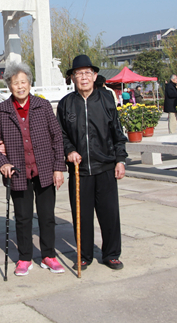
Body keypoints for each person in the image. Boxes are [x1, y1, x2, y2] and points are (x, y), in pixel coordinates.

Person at [0, 61, 66, 276]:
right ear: (9, 86)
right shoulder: (1, 110)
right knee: (22, 218)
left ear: (30, 83)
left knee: (47, 216)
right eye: (15, 83)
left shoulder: (43, 106)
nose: (20, 86)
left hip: (45, 169)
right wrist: (3, 162)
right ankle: (24, 257)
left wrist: (58, 168)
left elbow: (57, 138)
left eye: (23, 82)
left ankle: (49, 255)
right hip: (18, 172)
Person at [58, 55, 127, 271]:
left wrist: (120, 159)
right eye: (79, 73)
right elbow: (61, 135)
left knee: (109, 214)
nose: (84, 77)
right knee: (82, 216)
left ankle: (111, 254)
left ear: (95, 76)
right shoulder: (66, 104)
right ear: (72, 78)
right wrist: (69, 151)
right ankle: (84, 255)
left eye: (88, 73)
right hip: (80, 170)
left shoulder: (106, 100)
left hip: (105, 167)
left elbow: (117, 132)